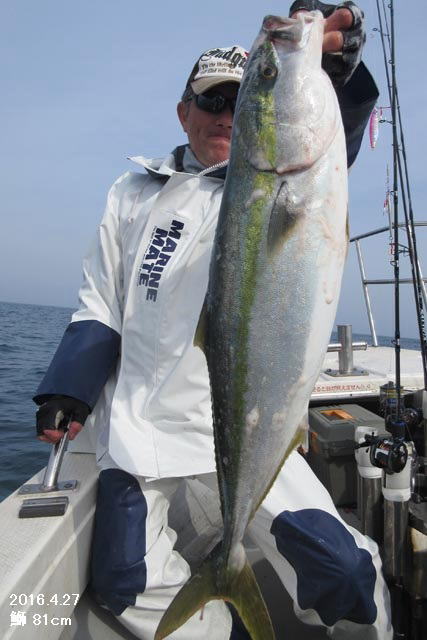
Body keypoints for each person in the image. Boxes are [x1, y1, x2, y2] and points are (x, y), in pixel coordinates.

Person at [34, 2, 393, 639]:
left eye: (239, 99)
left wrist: (334, 76)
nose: (226, 114)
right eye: (211, 101)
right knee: (123, 582)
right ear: (184, 113)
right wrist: (69, 387)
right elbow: (101, 301)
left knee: (345, 573)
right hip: (142, 429)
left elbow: (317, 146)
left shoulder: (264, 183)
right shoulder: (133, 193)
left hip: (248, 426)